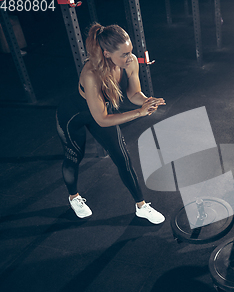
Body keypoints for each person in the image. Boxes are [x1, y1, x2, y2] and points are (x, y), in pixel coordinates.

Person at [56, 23, 165, 223]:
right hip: (74, 116)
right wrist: (139, 113)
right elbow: (102, 119)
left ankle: (141, 206)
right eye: (123, 54)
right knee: (74, 156)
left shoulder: (130, 63)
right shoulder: (91, 74)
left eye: (130, 51)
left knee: (123, 158)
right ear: (107, 54)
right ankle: (74, 197)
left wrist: (147, 102)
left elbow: (133, 93)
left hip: (101, 113)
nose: (129, 57)